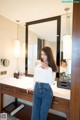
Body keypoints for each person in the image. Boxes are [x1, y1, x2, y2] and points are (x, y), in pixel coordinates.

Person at [27, 46, 57, 120]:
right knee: (34, 115)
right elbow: (35, 77)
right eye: (41, 54)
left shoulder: (52, 67)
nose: (42, 56)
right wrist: (32, 87)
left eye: (45, 54)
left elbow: (51, 82)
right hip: (37, 89)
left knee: (42, 115)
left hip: (46, 92)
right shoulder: (38, 65)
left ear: (49, 55)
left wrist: (47, 68)